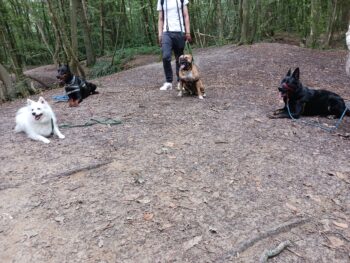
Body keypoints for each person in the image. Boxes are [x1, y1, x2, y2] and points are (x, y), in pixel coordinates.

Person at [157, 0, 192, 91]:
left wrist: (187, 32)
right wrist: (160, 34)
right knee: (165, 56)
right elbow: (160, 19)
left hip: (180, 32)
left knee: (179, 59)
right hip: (166, 33)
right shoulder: (161, 1)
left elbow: (186, 15)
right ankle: (168, 82)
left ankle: (180, 82)